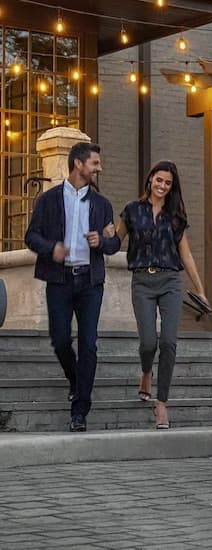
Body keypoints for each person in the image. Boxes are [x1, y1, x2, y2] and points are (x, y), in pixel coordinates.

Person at [24, 142, 120, 432]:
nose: (99, 168)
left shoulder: (102, 204)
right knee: (61, 340)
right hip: (60, 281)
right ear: (79, 164)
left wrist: (101, 242)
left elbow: (114, 244)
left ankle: (80, 411)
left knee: (89, 344)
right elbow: (31, 236)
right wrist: (51, 248)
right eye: (95, 163)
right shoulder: (48, 200)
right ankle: (76, 381)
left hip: (91, 283)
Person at [113, 160, 209, 429]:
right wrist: (104, 236)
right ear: (150, 178)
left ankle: (161, 404)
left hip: (170, 281)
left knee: (168, 342)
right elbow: (114, 243)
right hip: (142, 281)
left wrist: (200, 289)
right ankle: (146, 371)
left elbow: (185, 254)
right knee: (148, 343)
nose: (162, 186)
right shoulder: (132, 211)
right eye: (159, 180)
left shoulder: (175, 216)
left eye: (168, 183)